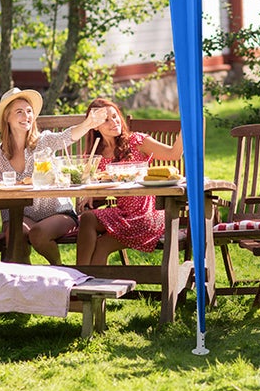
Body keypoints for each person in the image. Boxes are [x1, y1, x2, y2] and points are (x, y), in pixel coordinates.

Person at [0, 87, 109, 262]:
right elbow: (3, 195)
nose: (27, 116)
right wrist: (7, 225)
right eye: (19, 112)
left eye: (29, 111)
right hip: (23, 215)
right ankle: (27, 282)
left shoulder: (43, 141)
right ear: (7, 117)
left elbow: (66, 137)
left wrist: (88, 124)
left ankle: (59, 270)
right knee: (15, 235)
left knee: (38, 235)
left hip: (57, 212)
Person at [75, 97, 183, 266]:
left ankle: (87, 284)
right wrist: (90, 193)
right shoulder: (95, 153)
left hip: (148, 215)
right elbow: (97, 184)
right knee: (88, 218)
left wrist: (187, 126)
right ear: (94, 126)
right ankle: (78, 278)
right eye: (105, 120)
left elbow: (173, 154)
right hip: (121, 213)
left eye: (115, 116)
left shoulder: (137, 141)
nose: (113, 122)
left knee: (102, 246)